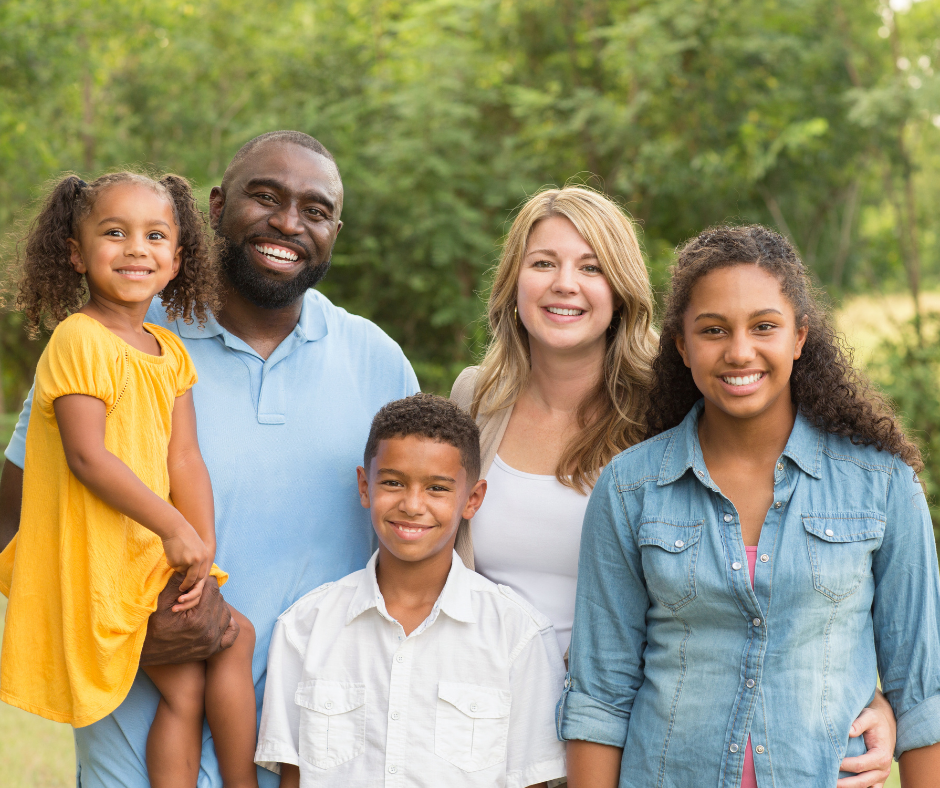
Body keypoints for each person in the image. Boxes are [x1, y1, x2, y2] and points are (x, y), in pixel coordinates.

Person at [0, 131, 419, 788]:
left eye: (315, 210)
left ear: (336, 229)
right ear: (216, 209)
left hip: (314, 749)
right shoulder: (115, 339)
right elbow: (19, 520)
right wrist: (123, 630)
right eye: (265, 196)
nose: (287, 222)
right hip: (131, 746)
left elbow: (420, 550)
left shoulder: (378, 362)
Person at [450, 189, 896, 785]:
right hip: (485, 726)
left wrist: (870, 697)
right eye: (543, 263)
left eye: (591, 267)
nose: (565, 283)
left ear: (622, 290)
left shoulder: (668, 406)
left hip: (631, 734)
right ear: (512, 280)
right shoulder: (473, 400)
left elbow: (772, 575)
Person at [559, 225, 940, 787]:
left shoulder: (882, 485)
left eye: (765, 327)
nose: (740, 351)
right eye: (713, 330)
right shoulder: (629, 489)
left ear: (800, 338)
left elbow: (922, 693)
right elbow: (600, 696)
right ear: (683, 346)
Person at [0, 172, 258, 788]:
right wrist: (173, 528)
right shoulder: (77, 338)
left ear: (176, 259)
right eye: (114, 233)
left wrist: (202, 547)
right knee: (214, 657)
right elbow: (88, 458)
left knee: (203, 669)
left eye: (155, 235)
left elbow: (185, 460)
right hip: (100, 559)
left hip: (151, 556)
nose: (136, 248)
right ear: (75, 252)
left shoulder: (169, 351)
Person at [255, 394, 567, 787]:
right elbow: (294, 779)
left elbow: (533, 780)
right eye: (392, 482)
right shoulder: (305, 628)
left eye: (437, 488)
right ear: (364, 487)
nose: (412, 504)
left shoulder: (518, 636)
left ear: (472, 499)